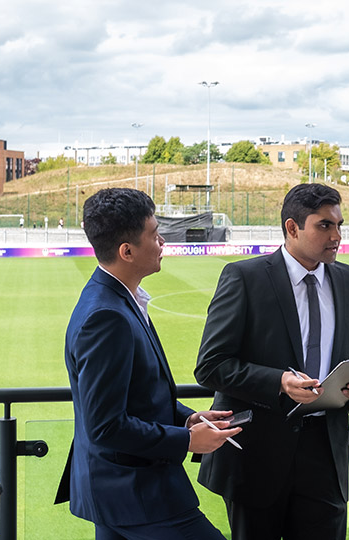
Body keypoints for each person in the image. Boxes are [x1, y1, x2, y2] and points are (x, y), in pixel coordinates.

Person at [194, 183, 349, 540]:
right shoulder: (245, 277)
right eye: (324, 225)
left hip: (326, 455)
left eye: (340, 225)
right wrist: (279, 382)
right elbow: (210, 365)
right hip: (257, 457)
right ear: (292, 228)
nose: (337, 235)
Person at [58, 187, 240, 540]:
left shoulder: (115, 299)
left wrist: (186, 417)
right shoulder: (107, 316)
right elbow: (106, 425)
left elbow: (136, 397)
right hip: (134, 492)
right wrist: (186, 440)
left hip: (119, 490)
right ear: (126, 251)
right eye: (155, 235)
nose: (162, 243)